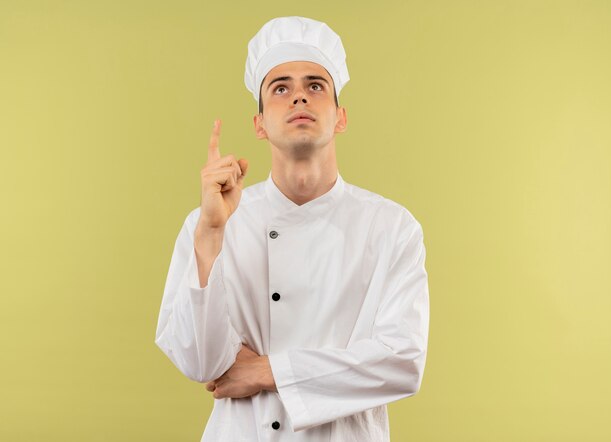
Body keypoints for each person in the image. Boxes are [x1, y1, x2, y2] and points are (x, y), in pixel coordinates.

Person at [155, 16, 430, 441]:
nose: (299, 96)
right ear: (259, 124)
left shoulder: (391, 227)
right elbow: (201, 363)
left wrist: (265, 371)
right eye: (280, 88)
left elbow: (402, 363)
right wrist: (211, 234)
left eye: (315, 85)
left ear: (340, 117)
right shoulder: (212, 222)